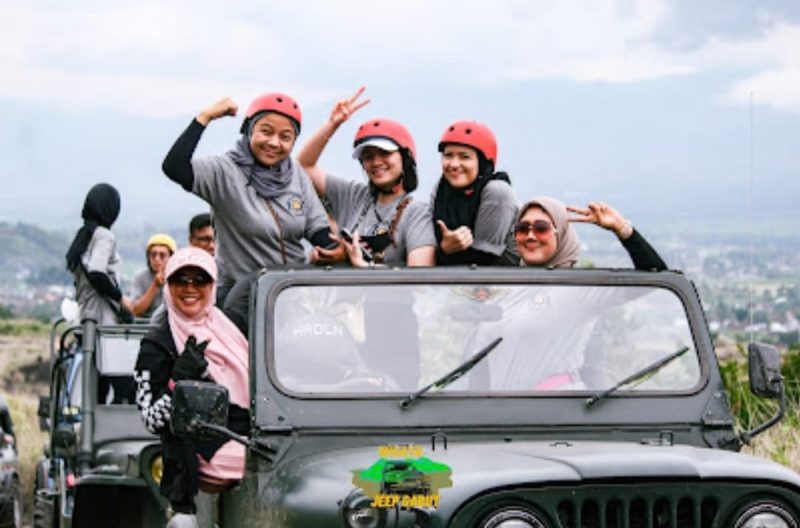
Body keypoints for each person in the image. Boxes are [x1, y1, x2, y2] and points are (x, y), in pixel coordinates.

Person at [162, 92, 343, 304]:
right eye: (266, 132)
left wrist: (339, 250)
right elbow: (174, 168)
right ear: (249, 130)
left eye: (285, 137)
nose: (274, 143)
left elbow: (317, 228)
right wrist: (205, 117)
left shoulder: (295, 173)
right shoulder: (224, 171)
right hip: (240, 300)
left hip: (288, 295)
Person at [134, 247, 249, 527]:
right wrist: (178, 382)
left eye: (200, 280)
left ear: (212, 286)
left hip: (254, 436)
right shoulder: (156, 345)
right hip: (198, 457)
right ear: (168, 286)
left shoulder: (233, 327)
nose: (190, 288)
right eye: (180, 280)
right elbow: (151, 418)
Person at [297, 87, 435, 267]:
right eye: (368, 156)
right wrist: (333, 124)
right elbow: (303, 167)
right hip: (345, 295)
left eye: (385, 153)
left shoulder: (418, 212)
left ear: (405, 157)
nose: (376, 162)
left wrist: (364, 267)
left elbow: (420, 279)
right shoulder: (354, 195)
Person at [431, 120, 519, 266]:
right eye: (448, 155)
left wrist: (445, 251)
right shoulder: (442, 189)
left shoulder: (497, 192)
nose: (453, 164)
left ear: (483, 163)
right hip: (452, 282)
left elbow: (483, 262)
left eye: (465, 157)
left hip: (505, 282)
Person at [514, 197, 666, 270]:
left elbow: (656, 275)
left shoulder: (584, 287)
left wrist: (623, 230)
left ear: (560, 234)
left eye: (541, 228)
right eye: (522, 228)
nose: (531, 236)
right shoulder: (508, 282)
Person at [65, 183, 135, 324]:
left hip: (84, 315)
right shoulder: (104, 235)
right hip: (102, 317)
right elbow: (97, 272)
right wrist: (120, 298)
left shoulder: (84, 236)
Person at [131, 234, 177, 319]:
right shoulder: (140, 277)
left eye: (162, 255)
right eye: (153, 255)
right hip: (145, 325)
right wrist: (154, 285)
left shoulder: (177, 277)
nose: (157, 259)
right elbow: (136, 310)